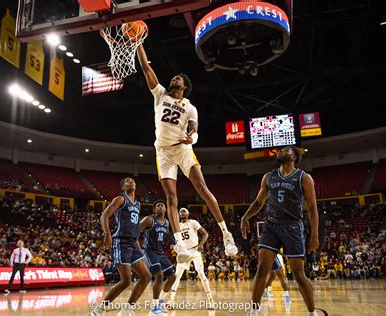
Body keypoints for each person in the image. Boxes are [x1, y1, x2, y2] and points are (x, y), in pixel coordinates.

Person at [136, 44, 238, 263]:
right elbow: (145, 67)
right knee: (171, 198)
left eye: (178, 79)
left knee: (202, 188)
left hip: (183, 149)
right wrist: (139, 43)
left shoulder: (190, 107)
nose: (174, 79)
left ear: (184, 86)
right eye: (173, 78)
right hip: (163, 153)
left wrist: (193, 137)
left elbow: (194, 130)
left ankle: (226, 234)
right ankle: (179, 244)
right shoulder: (160, 94)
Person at [240, 146, 320, 316]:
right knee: (262, 268)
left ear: (294, 158)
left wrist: (314, 235)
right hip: (271, 226)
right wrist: (245, 217)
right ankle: (254, 311)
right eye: (281, 151)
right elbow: (258, 202)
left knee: (298, 274)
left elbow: (312, 209)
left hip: (293, 227)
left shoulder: (304, 178)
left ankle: (312, 312)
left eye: (286, 150)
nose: (281, 151)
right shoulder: (269, 177)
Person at [95, 177, 151, 316]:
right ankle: (100, 309)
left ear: (136, 185)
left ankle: (127, 308)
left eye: (132, 180)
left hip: (133, 243)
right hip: (121, 242)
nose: (130, 182)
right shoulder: (120, 199)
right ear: (123, 187)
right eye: (126, 181)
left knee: (146, 276)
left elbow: (134, 228)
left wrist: (137, 244)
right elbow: (104, 216)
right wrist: (107, 234)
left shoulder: (137, 204)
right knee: (126, 281)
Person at [167, 208, 215, 308]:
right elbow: (175, 241)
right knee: (177, 275)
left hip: (195, 250)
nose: (182, 212)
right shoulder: (177, 226)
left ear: (188, 214)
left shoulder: (193, 222)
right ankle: (171, 300)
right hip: (184, 252)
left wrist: (201, 244)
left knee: (201, 274)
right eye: (180, 212)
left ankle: (211, 300)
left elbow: (205, 234)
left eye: (184, 211)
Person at [140, 200, 176, 315]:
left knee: (172, 277)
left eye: (162, 205)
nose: (160, 207)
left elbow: (167, 235)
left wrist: (175, 243)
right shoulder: (149, 219)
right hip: (149, 251)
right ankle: (154, 309)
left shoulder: (166, 222)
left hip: (160, 252)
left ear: (165, 209)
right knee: (159, 275)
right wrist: (135, 246)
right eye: (157, 206)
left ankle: (161, 302)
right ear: (154, 209)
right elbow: (136, 230)